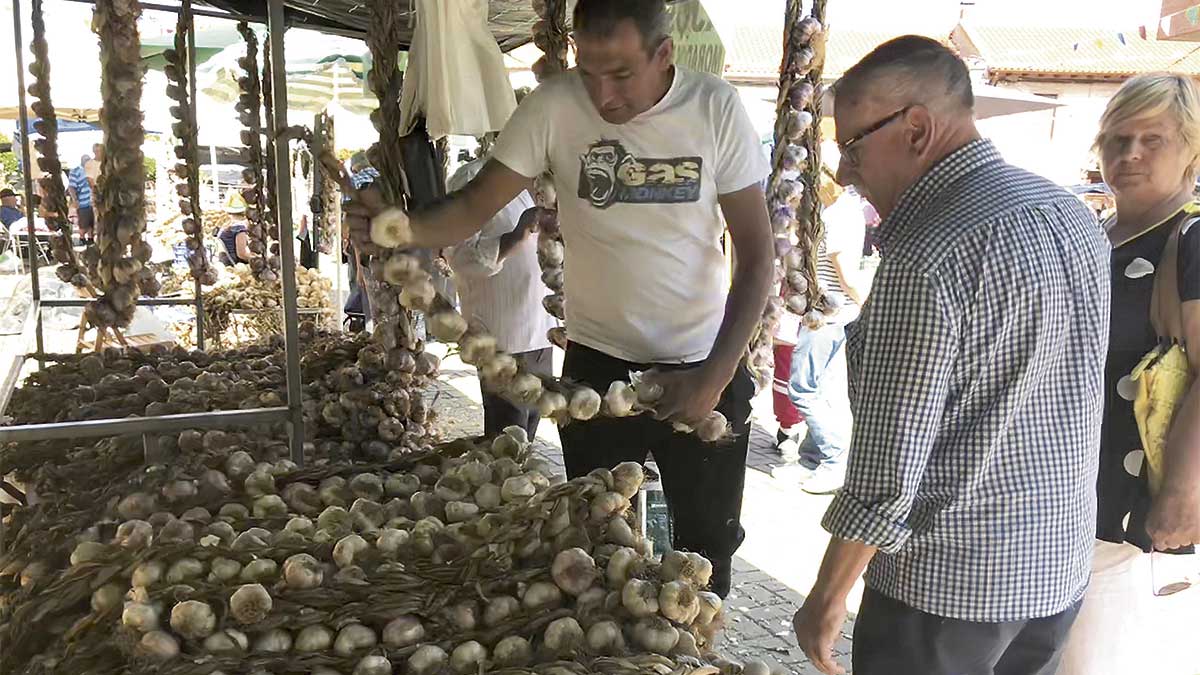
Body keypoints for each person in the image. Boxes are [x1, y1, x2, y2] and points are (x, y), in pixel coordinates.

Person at [346, 0, 773, 597]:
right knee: (595, 552)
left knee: (707, 552)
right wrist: (399, 227)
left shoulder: (714, 108)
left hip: (705, 361)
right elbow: (472, 208)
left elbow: (757, 259)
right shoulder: (553, 106)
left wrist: (714, 376)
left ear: (664, 54)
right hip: (596, 365)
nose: (603, 96)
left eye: (621, 74)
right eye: (588, 72)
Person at [790, 36, 1109, 675]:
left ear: (916, 129)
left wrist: (827, 598)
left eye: (850, 146)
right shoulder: (1070, 214)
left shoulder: (927, 256)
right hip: (1056, 573)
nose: (843, 171)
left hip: (947, 593)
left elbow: (887, 469)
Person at [1056, 73, 1200, 675]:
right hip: (1069, 508)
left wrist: (1182, 494)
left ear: (1192, 147)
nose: (1130, 154)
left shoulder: (1190, 240)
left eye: (1153, 139)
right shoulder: (1094, 237)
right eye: (1117, 139)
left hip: (1133, 516)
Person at [446, 156, 557, 439]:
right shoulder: (474, 177)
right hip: (500, 336)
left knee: (529, 429)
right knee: (506, 441)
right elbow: (458, 256)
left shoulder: (553, 179)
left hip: (543, 333)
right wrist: (514, 237)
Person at [784, 183, 868, 494]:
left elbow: (845, 272)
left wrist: (865, 304)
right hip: (834, 314)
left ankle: (835, 461)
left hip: (826, 316)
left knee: (803, 389)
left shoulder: (839, 214)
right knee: (824, 390)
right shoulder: (840, 211)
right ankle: (814, 457)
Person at [343, 153, 380, 331]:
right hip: (384, 245)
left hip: (362, 245)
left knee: (360, 285)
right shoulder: (384, 179)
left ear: (355, 167)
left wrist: (359, 268)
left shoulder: (354, 183)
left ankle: (363, 327)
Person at [217, 195, 256, 266]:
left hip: (225, 263)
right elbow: (241, 254)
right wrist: (258, 260)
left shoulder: (227, 225)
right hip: (234, 264)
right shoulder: (239, 228)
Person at [68, 155, 93, 242]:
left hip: (93, 202)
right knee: (83, 224)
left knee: (91, 224)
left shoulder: (92, 170)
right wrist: (75, 200)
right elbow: (71, 187)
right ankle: (82, 239)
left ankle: (90, 240)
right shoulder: (76, 171)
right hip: (83, 202)